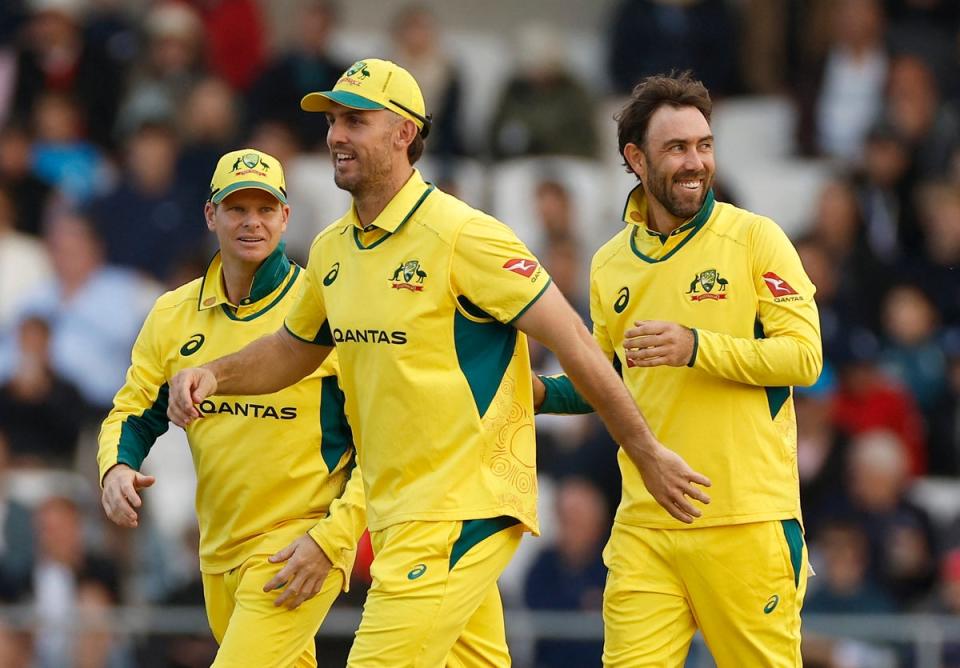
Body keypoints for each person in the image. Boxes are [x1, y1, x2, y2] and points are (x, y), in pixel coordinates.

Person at [166, 59, 711, 667]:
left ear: (403, 133)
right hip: (399, 517)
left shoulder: (463, 236)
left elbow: (578, 345)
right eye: (332, 122)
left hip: (461, 512)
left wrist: (645, 451)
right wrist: (217, 373)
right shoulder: (331, 248)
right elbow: (293, 349)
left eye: (355, 120)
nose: (336, 136)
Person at [534, 72, 823, 666]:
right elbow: (605, 382)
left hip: (745, 523)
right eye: (677, 148)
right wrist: (537, 393)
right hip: (646, 527)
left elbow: (805, 359)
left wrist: (697, 345)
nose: (696, 162)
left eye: (704, 145)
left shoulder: (755, 239)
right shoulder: (609, 263)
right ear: (636, 159)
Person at [97, 148, 366, 667]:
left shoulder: (324, 306)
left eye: (265, 210)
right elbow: (134, 410)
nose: (251, 223)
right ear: (210, 215)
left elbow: (375, 441)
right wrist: (116, 467)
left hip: (297, 544)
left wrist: (332, 539)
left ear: (286, 217)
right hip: (218, 551)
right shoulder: (173, 313)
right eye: (237, 209)